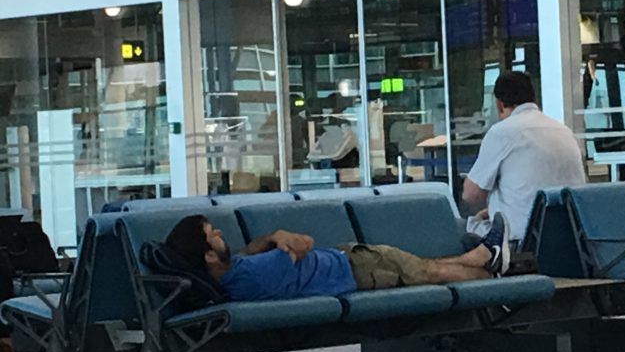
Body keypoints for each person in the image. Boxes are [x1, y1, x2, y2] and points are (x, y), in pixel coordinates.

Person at [163, 211, 511, 303]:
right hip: (354, 269)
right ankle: (496, 284)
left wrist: (273, 237)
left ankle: (483, 258)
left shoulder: (235, 273)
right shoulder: (255, 273)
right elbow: (306, 242)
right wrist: (284, 238)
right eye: (214, 235)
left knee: (426, 266)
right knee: (430, 272)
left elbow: (247, 252)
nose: (221, 233)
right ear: (209, 255)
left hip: (349, 264)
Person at [462, 71, 585, 242]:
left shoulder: (502, 132)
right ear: (533, 99)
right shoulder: (563, 131)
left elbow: (471, 195)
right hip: (571, 238)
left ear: (499, 105)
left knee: (465, 232)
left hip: (520, 241)